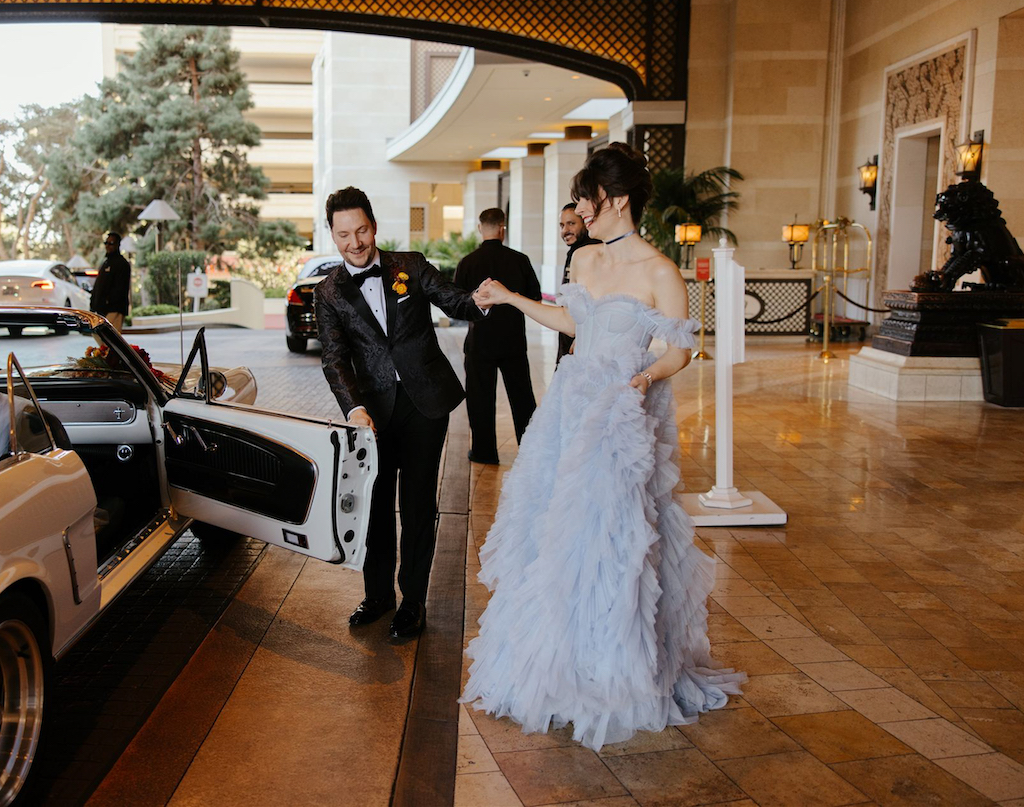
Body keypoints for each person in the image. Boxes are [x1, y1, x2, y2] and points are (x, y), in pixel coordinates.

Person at [460, 143, 744, 750]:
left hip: (617, 420)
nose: (579, 210)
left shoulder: (659, 271)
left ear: (613, 200)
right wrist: (510, 299)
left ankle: (612, 669)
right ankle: (557, 664)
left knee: (611, 536)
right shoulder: (584, 260)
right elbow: (574, 325)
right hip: (569, 410)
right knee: (555, 533)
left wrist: (643, 377)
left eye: (586, 199)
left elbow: (680, 350)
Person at [313, 186, 489, 638]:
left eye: (362, 230)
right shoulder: (328, 292)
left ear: (374, 225)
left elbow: (456, 300)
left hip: (425, 405)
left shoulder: (409, 265)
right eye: (344, 234)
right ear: (332, 235)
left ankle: (412, 602)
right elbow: (333, 358)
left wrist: (483, 298)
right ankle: (377, 596)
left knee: (416, 506)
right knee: (372, 507)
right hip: (372, 414)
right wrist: (353, 408)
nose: (355, 242)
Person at [453, 208, 541, 465]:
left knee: (480, 398)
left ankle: (484, 452)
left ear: (480, 228)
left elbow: (457, 304)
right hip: (513, 340)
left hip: (480, 341)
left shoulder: (468, 262)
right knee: (522, 398)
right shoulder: (520, 260)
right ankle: (530, 451)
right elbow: (534, 298)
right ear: (503, 228)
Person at [557, 202, 600, 362]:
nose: (565, 231)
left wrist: (581, 336)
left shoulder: (593, 252)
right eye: (562, 225)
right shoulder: (575, 251)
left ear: (585, 223)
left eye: (571, 224)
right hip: (570, 332)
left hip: (584, 340)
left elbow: (597, 299)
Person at [90, 232, 131, 331]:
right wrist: (93, 303)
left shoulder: (122, 264)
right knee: (98, 334)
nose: (108, 246)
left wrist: (109, 301)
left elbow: (121, 288)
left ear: (117, 245)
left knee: (111, 337)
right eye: (106, 243)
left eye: (111, 243)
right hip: (101, 309)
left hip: (114, 308)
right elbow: (98, 285)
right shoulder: (105, 263)